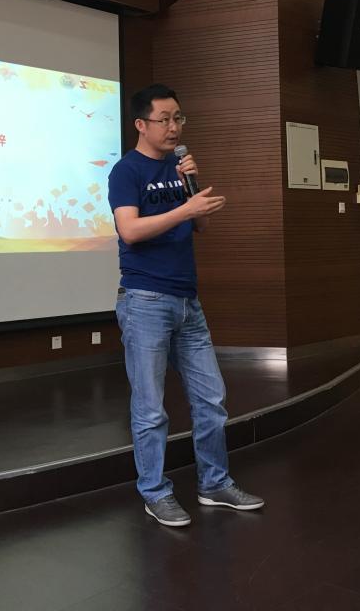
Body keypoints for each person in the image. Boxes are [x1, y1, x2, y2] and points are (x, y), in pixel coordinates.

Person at [108, 83, 264, 527]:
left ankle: (214, 484)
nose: (174, 127)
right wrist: (185, 209)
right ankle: (155, 493)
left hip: (187, 301)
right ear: (141, 124)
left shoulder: (180, 166)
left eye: (178, 118)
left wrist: (192, 198)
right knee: (151, 407)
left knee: (211, 398)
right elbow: (130, 231)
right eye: (164, 119)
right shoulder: (126, 171)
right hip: (145, 300)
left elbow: (202, 227)